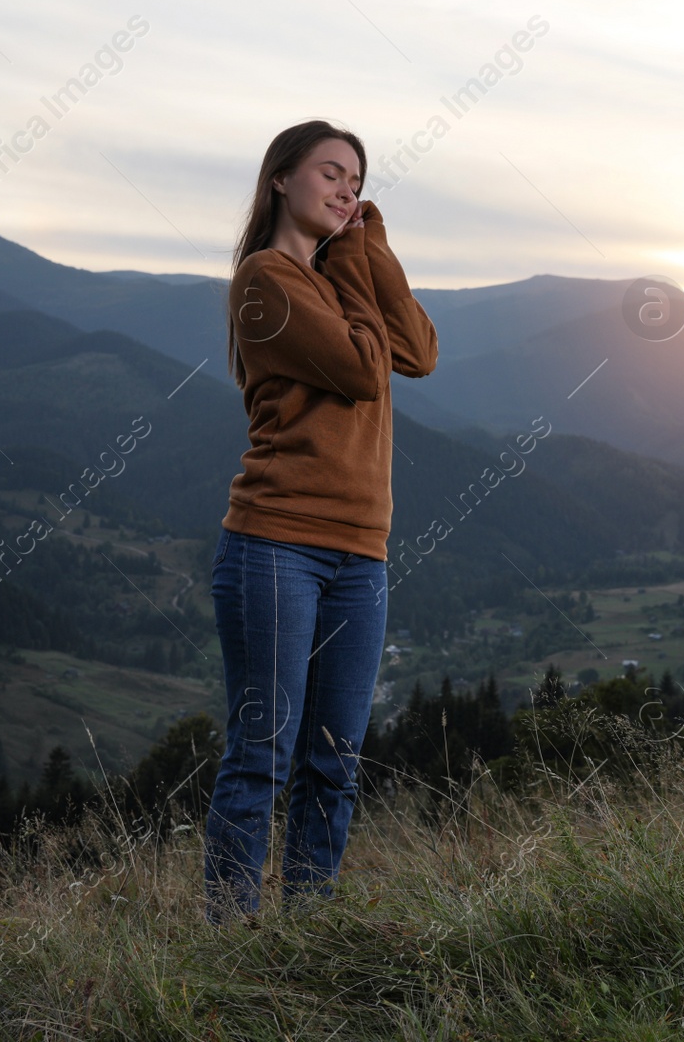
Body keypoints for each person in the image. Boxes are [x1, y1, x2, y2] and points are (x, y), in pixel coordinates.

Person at [203, 119, 438, 922]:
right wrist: (354, 273)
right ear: (280, 179)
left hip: (360, 555)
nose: (346, 189)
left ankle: (311, 934)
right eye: (330, 173)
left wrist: (368, 251)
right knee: (262, 757)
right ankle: (229, 940)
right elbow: (366, 369)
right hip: (276, 543)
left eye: (356, 180)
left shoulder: (340, 277)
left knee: (335, 760)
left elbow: (419, 347)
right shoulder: (267, 279)